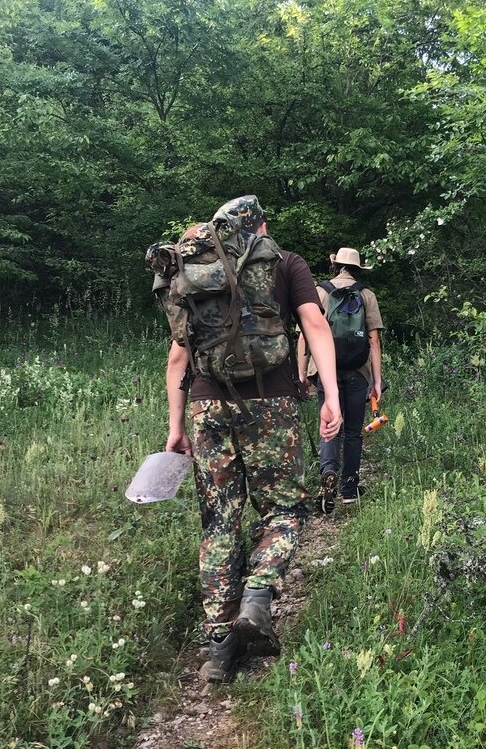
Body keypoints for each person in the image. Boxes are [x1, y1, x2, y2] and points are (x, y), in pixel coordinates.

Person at [162, 196, 341, 682]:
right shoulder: (285, 263)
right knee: (283, 509)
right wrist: (332, 397)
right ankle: (257, 600)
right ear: (259, 226)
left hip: (205, 405)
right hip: (270, 401)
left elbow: (178, 359)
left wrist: (177, 428)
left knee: (219, 520)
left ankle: (219, 649)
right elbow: (315, 324)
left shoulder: (195, 272)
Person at [297, 246, 383, 513]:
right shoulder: (367, 295)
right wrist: (377, 380)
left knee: (330, 425)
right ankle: (348, 487)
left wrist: (302, 370)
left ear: (335, 266)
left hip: (326, 370)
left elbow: (304, 334)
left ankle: (328, 472)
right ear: (358, 269)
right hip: (358, 371)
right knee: (354, 432)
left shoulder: (320, 292)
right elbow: (374, 340)